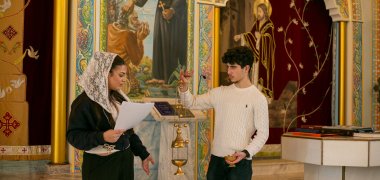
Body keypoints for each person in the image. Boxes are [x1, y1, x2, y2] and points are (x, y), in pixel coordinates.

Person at [178, 46, 269, 180]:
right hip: (216, 162)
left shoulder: (258, 98)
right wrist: (185, 87)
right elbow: (190, 103)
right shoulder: (220, 93)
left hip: (241, 162)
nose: (229, 71)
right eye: (227, 67)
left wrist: (246, 152)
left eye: (233, 67)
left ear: (246, 69)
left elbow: (263, 133)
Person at [66, 52, 154, 180]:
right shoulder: (83, 102)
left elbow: (127, 132)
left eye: (125, 76)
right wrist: (102, 136)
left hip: (124, 162)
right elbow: (73, 136)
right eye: (121, 75)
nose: (124, 79)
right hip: (101, 167)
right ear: (106, 73)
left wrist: (143, 153)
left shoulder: (118, 97)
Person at [234, 2, 276, 102]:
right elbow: (250, 35)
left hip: (265, 59)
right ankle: (254, 97)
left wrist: (261, 38)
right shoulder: (256, 23)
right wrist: (240, 36)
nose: (258, 13)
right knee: (254, 76)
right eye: (257, 11)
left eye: (260, 11)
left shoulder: (269, 26)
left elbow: (270, 41)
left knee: (262, 77)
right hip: (256, 56)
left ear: (265, 13)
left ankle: (262, 98)